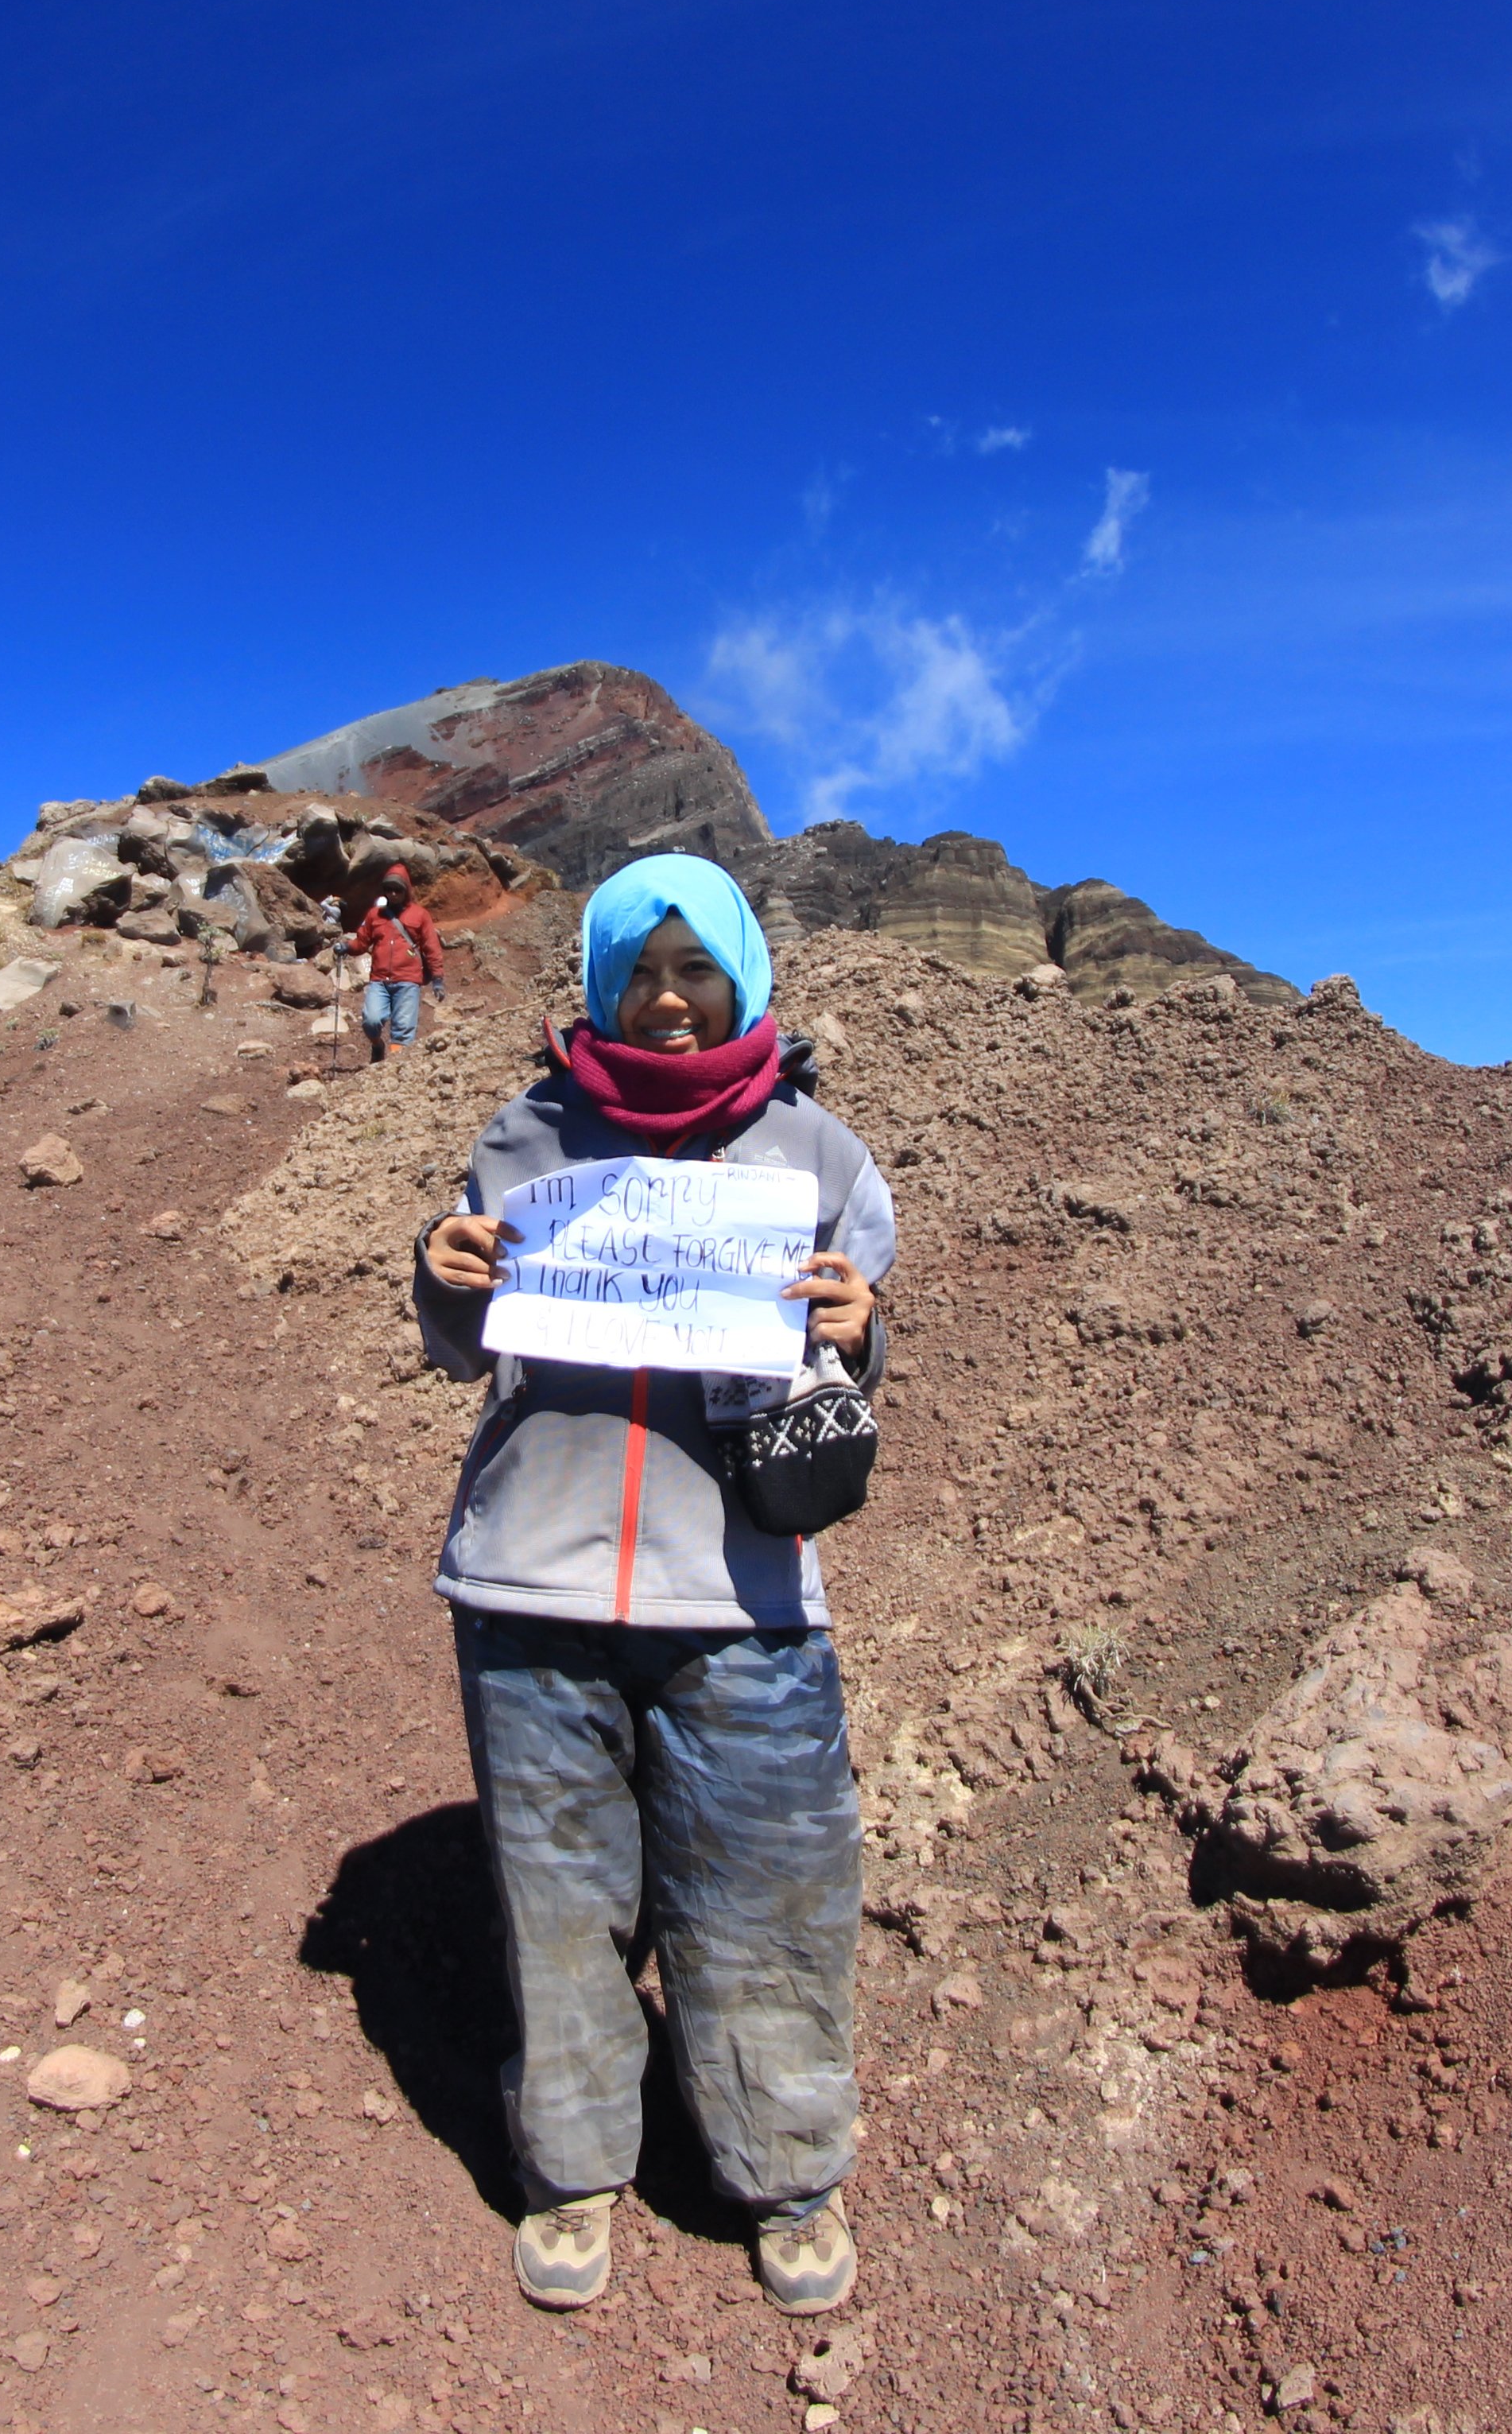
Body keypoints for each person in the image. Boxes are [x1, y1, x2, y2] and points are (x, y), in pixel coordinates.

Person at [410, 854, 892, 2319]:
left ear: (740, 977)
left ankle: (786, 2171)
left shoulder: (817, 1155)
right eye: (640, 971)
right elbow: (456, 1340)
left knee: (768, 1894)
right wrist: (445, 1276)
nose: (668, 1002)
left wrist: (856, 1325)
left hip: (739, 1603)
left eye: (696, 970)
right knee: (557, 1901)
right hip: (531, 1593)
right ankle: (571, 2162)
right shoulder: (523, 1136)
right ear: (600, 984)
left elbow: (847, 1370)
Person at [353, 864, 444, 1062]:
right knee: (371, 1020)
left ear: (406, 891)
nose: (393, 894)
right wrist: (346, 948)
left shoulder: (420, 915)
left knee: (402, 1031)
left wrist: (437, 978)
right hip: (379, 980)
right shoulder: (374, 915)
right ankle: (377, 1045)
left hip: (408, 980)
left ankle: (395, 1070)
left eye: (397, 890)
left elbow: (431, 946)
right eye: (388, 890)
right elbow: (361, 942)